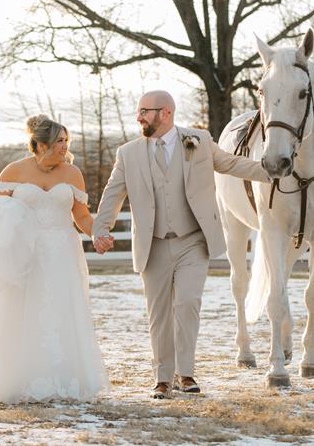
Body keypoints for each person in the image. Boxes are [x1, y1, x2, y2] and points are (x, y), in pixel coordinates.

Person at [92, 90, 269, 399]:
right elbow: (113, 193)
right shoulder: (128, 153)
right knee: (159, 314)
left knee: (187, 303)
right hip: (153, 244)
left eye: (144, 111)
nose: (139, 117)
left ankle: (185, 374)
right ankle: (162, 378)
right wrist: (100, 228)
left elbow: (230, 164)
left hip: (192, 241)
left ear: (166, 113)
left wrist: (273, 171)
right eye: (139, 111)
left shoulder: (198, 141)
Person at [0, 114, 109, 403]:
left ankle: (63, 378)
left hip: (62, 253)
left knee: (60, 311)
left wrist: (97, 234)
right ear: (40, 144)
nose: (65, 146)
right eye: (59, 141)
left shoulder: (72, 174)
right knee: (20, 313)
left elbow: (81, 216)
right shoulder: (14, 171)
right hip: (25, 254)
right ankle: (19, 379)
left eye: (66, 140)